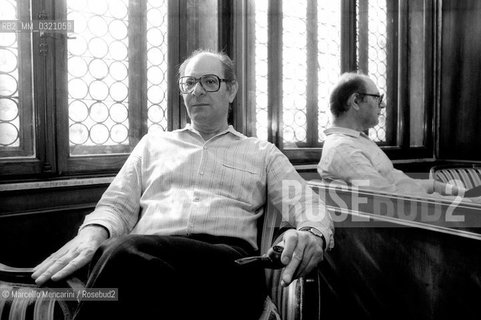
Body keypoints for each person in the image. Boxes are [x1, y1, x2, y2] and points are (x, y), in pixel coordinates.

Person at [32, 49, 334, 320]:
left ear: (231, 90)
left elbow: (308, 205)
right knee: (126, 262)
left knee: (122, 255)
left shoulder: (261, 152)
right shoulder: (153, 144)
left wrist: (312, 234)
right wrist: (92, 234)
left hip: (228, 265)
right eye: (189, 83)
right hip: (147, 261)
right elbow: (116, 206)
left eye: (209, 81)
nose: (197, 91)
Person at [317, 72, 476, 200]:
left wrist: (465, 194)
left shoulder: (356, 140)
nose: (383, 105)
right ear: (356, 101)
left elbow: (407, 184)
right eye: (377, 98)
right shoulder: (342, 148)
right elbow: (394, 200)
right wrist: (469, 202)